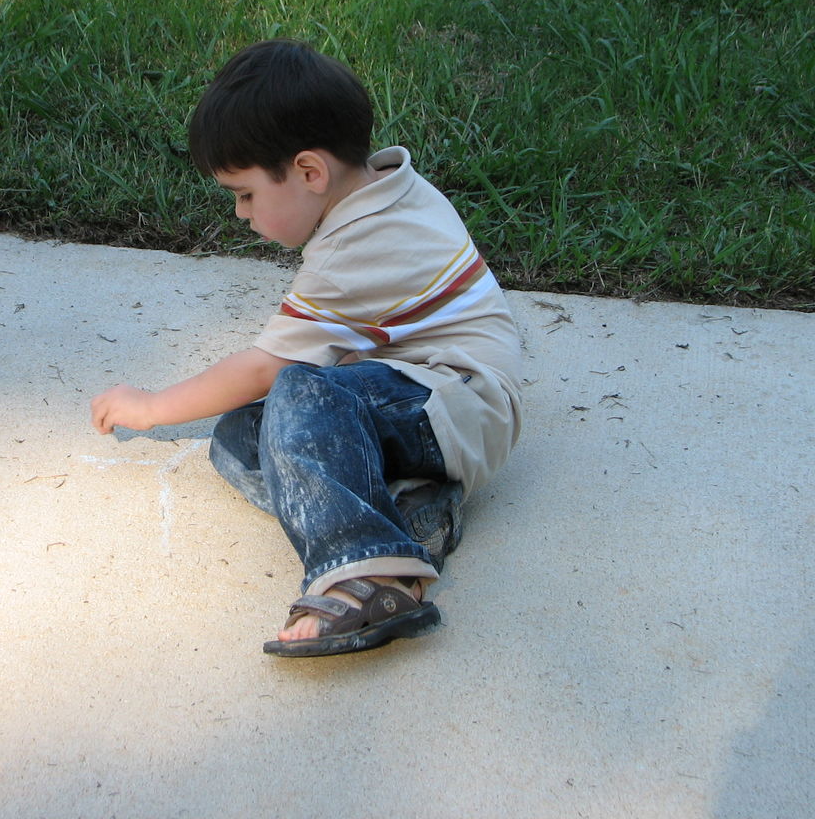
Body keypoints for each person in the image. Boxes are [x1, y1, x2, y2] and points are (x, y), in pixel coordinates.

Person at [90, 39, 523, 657]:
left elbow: (269, 368)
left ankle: (370, 573)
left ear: (309, 172)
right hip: (429, 401)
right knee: (241, 438)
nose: (241, 213)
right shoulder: (384, 189)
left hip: (457, 403)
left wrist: (152, 406)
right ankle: (415, 511)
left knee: (294, 393)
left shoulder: (354, 248)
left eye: (245, 193)